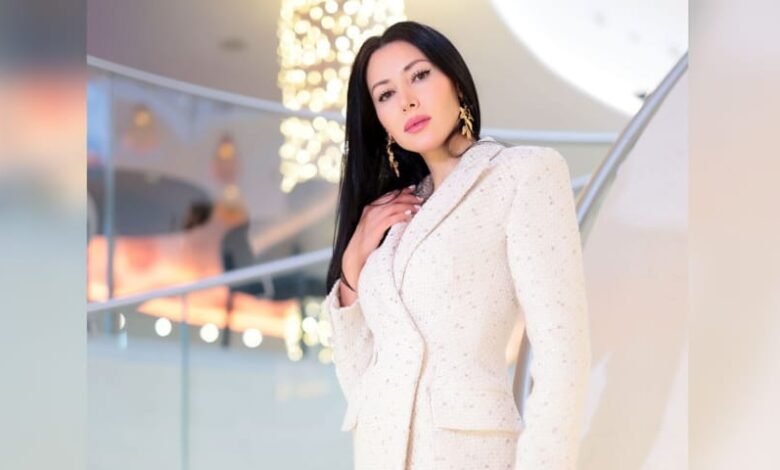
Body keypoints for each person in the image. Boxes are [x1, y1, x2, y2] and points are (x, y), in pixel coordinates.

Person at [321, 20, 591, 470]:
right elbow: (361, 384)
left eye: (419, 75)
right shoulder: (391, 216)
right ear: (381, 121)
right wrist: (351, 270)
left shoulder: (521, 173)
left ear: (456, 81)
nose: (406, 100)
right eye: (385, 95)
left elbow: (563, 351)